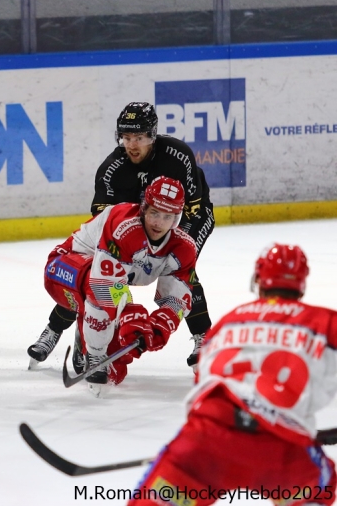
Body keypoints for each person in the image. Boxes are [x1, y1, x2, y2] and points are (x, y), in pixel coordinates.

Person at [129, 244, 337, 505]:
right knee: (323, 485)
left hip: (206, 443)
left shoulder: (230, 321)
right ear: (302, 284)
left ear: (259, 281)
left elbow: (201, 385)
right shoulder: (325, 321)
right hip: (283, 450)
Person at [27, 102, 215, 372]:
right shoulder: (112, 169)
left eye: (138, 138)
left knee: (180, 266)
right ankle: (59, 327)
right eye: (126, 138)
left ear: (152, 135)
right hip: (135, 225)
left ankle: (203, 336)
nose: (132, 145)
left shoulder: (177, 155)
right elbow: (103, 226)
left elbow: (194, 207)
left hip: (184, 218)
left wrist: (171, 245)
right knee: (96, 276)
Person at [31, 176, 198, 396]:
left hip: (102, 284)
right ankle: (94, 353)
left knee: (116, 369)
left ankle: (89, 339)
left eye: (167, 216)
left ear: (176, 219)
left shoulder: (183, 248)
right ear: (144, 208)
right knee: (99, 292)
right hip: (62, 269)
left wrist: (161, 325)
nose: (158, 222)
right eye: (154, 213)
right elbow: (103, 285)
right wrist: (129, 310)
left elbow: (178, 296)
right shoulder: (122, 226)